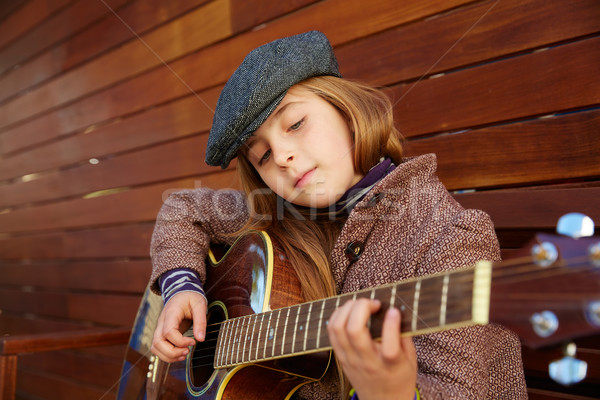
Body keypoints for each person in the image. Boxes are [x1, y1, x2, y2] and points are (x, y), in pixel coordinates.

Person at [149, 31, 527, 399]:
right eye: (262, 155)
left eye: (295, 124)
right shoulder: (281, 213)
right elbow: (182, 208)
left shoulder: (449, 236)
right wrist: (181, 285)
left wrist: (392, 394)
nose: (281, 157)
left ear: (345, 110)